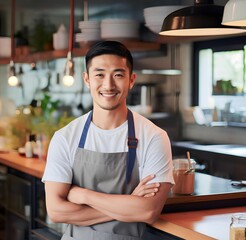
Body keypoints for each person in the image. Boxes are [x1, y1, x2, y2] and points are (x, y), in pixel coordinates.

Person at [42, 40, 174, 240]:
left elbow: (148, 212)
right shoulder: (65, 138)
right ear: (87, 79)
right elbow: (56, 211)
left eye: (118, 75)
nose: (108, 85)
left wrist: (84, 196)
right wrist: (130, 203)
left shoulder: (154, 137)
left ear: (131, 80)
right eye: (99, 74)